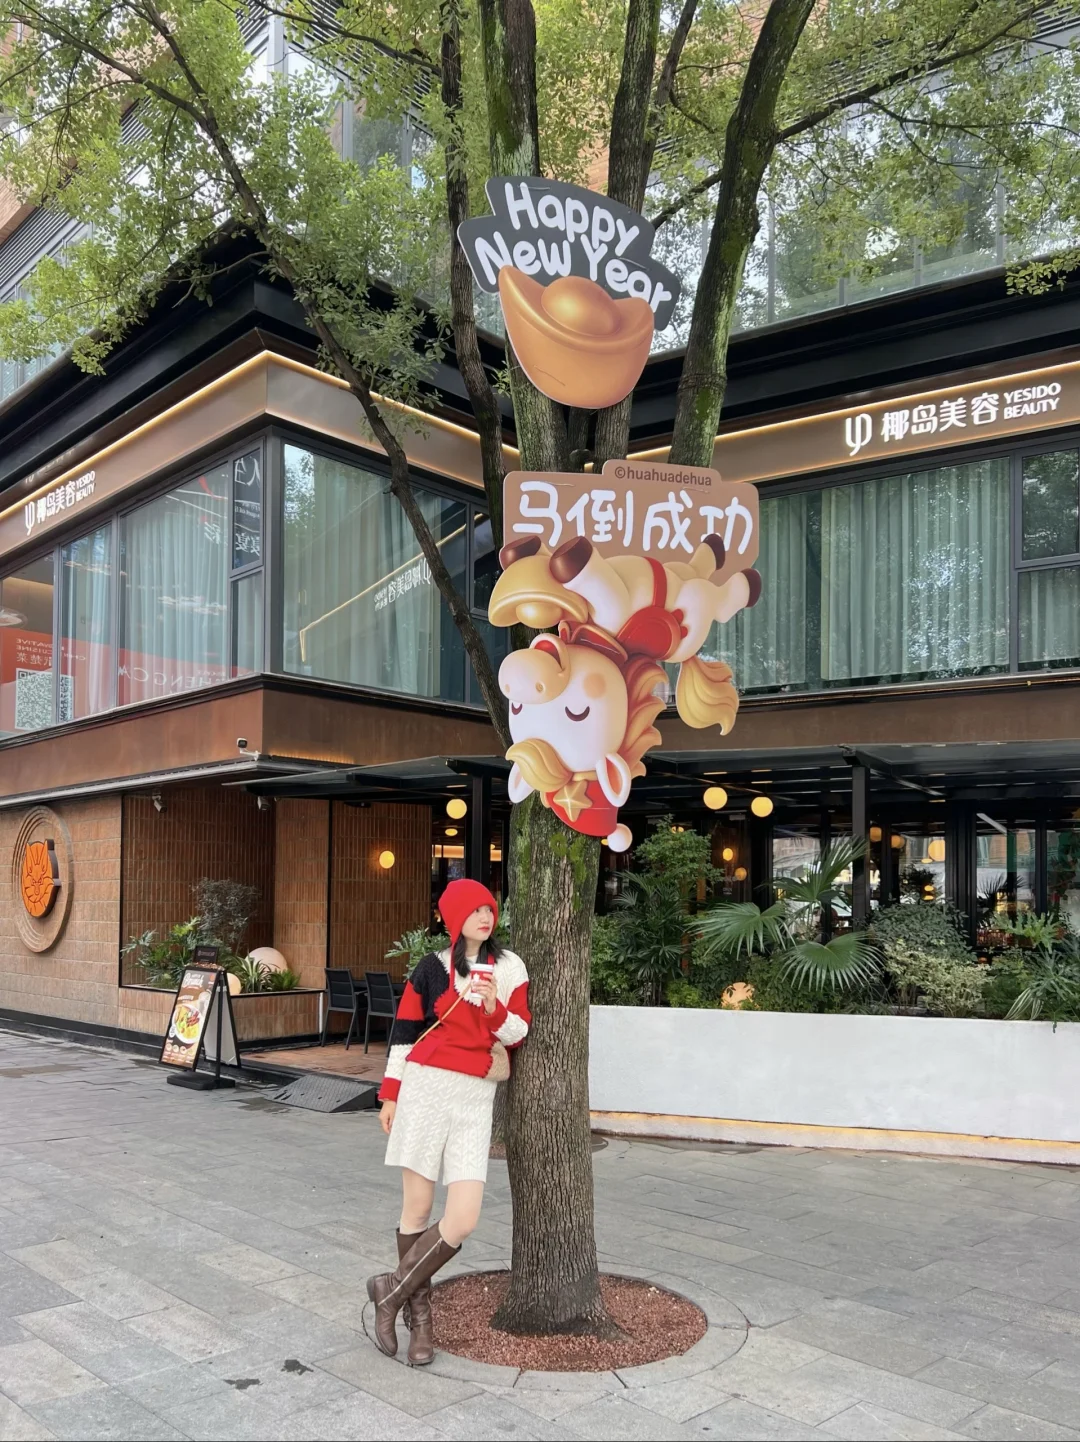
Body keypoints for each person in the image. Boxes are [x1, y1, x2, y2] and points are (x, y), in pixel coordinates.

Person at [365, 879, 530, 1365]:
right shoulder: (432, 968)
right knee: (416, 1210)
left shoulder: (510, 966)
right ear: (454, 917)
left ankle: (389, 1291)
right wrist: (389, 1094)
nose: (485, 917)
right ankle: (421, 1321)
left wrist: (492, 1006)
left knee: (463, 1217)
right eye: (475, 910)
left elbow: (519, 1032)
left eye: (490, 909)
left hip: (475, 1098)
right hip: (425, 1089)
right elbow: (404, 1034)